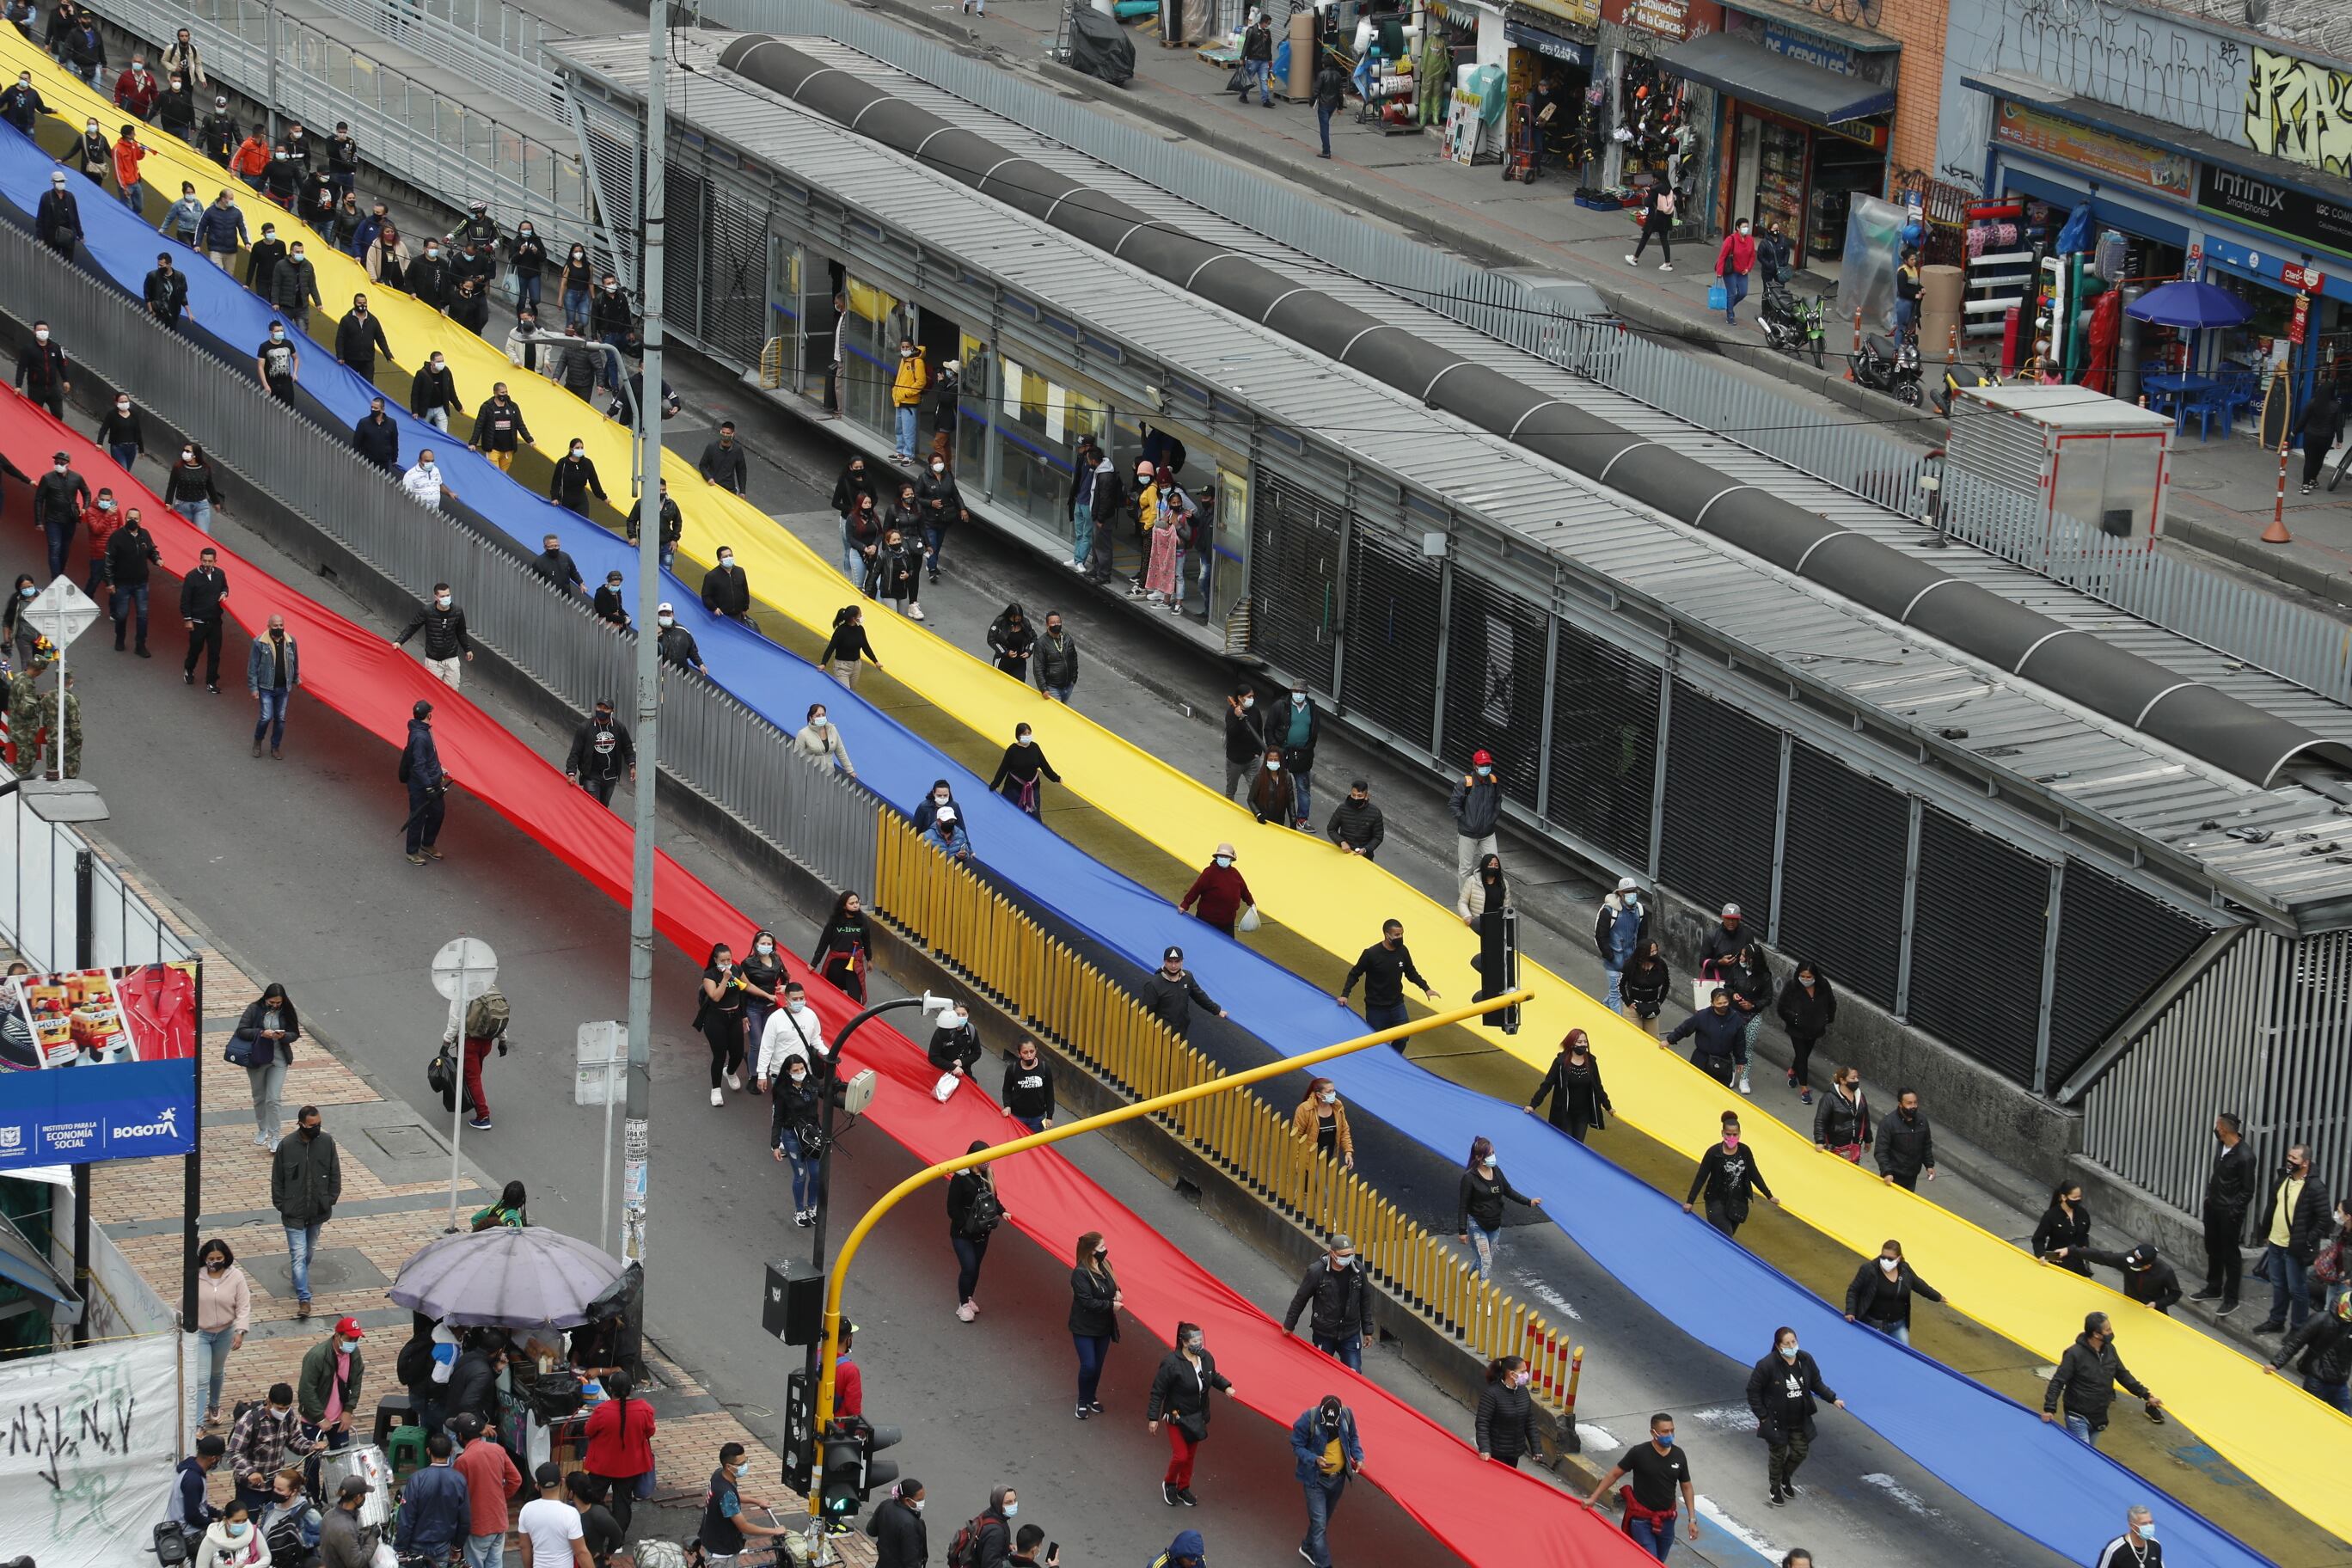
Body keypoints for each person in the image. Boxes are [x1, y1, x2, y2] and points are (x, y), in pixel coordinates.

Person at [1746, 1326, 1842, 1506]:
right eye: (1787, 1343)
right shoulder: (1766, 1365)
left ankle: (1785, 1477)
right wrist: (1763, 1416)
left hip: (1799, 1419)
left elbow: (1816, 1383)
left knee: (1800, 1452)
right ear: (1778, 1346)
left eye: (1794, 1341)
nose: (1792, 1345)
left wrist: (1833, 1399)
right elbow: (1753, 1391)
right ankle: (1775, 1487)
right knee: (1777, 1456)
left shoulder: (1805, 1360)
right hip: (1776, 1421)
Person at [1583, 1414, 1697, 1559]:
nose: (1670, 1435)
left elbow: (1686, 1487)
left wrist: (1692, 1520)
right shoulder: (1639, 1453)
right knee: (1649, 1561)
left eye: (1672, 1431)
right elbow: (1614, 1474)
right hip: (1641, 1521)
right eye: (1665, 1431)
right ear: (1653, 1432)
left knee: (1659, 1561)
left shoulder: (1678, 1455)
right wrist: (1593, 1498)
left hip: (1666, 1522)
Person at [2043, 1309, 2161, 1447]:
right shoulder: (2074, 1354)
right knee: (2084, 1456)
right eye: (2108, 1329)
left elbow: (2123, 1374)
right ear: (2096, 1334)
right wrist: (2049, 1409)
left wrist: (2147, 1395)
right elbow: (2058, 1381)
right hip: (2078, 1415)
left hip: (2099, 1415)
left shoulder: (2110, 1350)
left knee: (2088, 1454)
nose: (2111, 1332)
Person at [1147, 1321, 1234, 1506]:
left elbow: (1212, 1375)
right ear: (1184, 1342)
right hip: (1177, 1417)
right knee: (1181, 1455)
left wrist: (1226, 1386)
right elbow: (1158, 1391)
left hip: (1197, 1416)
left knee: (1190, 1456)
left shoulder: (1206, 1358)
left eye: (1200, 1339)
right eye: (1194, 1340)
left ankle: (1183, 1487)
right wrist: (1153, 1418)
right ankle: (1169, 1483)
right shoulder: (1171, 1364)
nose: (1199, 1343)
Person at [272, 1106, 340, 1320]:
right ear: (301, 1123)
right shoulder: (287, 1145)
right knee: (299, 1255)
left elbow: (334, 1173)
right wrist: (282, 1204)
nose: (317, 1128)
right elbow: (278, 1179)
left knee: (309, 1251)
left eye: (318, 1124)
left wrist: (330, 1199)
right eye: (312, 1125)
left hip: (317, 1210)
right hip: (293, 1213)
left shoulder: (327, 1143)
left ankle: (298, 1277)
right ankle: (304, 1299)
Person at [2255, 1142, 2330, 1334]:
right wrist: (2265, 1232)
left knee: (2297, 1289)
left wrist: (2305, 1240)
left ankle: (2298, 1329)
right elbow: (2272, 1207)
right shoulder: (2283, 1180)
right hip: (2275, 1242)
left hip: (2295, 1248)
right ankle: (2276, 1320)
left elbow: (2324, 1220)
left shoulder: (2315, 1187)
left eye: (2294, 1158)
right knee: (2279, 1284)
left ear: (2305, 1162)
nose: (2289, 1161)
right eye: (2289, 1156)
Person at [1283, 1234, 1375, 1370]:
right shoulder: (1316, 1272)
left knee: (1354, 1375)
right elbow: (1300, 1299)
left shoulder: (1358, 1271)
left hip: (1350, 1333)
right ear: (1332, 1253)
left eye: (1350, 1254)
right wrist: (1289, 1325)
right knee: (1321, 1373)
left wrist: (1368, 1330)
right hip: (1324, 1333)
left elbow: (1365, 1300)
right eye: (1343, 1255)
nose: (1347, 1259)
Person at [1289, 1394, 1361, 1568]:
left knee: (1321, 1521)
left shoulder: (1347, 1415)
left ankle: (1307, 1547)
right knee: (1320, 1524)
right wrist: (1314, 1459)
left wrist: (1358, 1457)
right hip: (1315, 1481)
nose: (1330, 1425)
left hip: (1338, 1480)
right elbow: (1296, 1445)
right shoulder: (1308, 1418)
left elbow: (1354, 1438)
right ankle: (1324, 1564)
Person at [580, 1370, 655, 1537]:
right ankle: (617, 1538)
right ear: (631, 1389)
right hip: (631, 1466)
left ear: (610, 1389)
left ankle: (593, 1533)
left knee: (594, 1498)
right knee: (623, 1502)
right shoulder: (644, 1409)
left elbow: (589, 1431)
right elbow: (649, 1432)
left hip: (602, 1465)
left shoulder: (602, 1410)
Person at [2196, 1110, 2256, 1315]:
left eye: (2217, 1126)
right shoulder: (2221, 1146)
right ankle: (2213, 1287)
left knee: (2230, 1254)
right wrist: (2208, 1197)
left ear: (2222, 1129)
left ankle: (2231, 1298)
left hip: (2229, 1212)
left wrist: (2233, 1210)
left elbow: (2248, 1190)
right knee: (2212, 1247)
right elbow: (2217, 1175)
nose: (2216, 1129)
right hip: (2213, 1206)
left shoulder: (2245, 1156)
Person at [230, 982, 303, 1152]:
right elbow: (242, 1030)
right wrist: (261, 1033)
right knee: (259, 1097)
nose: (276, 1005)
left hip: (279, 1059)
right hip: (257, 1058)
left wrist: (283, 1035)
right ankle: (262, 1129)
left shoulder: (287, 1011)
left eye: (279, 1002)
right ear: (266, 998)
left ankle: (275, 1136)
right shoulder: (254, 1009)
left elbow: (295, 1034)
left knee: (274, 1099)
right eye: (272, 1002)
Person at [1457, 1136, 1541, 1280]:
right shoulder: (1469, 1178)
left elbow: (1508, 1191)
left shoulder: (1496, 1171)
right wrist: (1462, 1231)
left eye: (1493, 1153)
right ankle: (1480, 1298)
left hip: (1495, 1225)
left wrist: (1529, 1202)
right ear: (1479, 1157)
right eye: (1489, 1154)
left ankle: (1468, 1279)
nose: (1493, 1157)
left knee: (1483, 1260)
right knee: (1486, 1261)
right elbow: (1463, 1205)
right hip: (1477, 1224)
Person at [768, 1050, 836, 1227]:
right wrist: (776, 1144)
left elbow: (827, 1093)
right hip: (791, 1137)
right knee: (800, 1175)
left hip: (812, 1135)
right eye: (795, 1070)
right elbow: (778, 1119)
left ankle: (811, 1207)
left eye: (801, 1069)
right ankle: (799, 1211)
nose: (799, 1073)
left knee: (815, 1173)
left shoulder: (811, 1083)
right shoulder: (782, 1092)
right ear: (788, 1072)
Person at [1337, 918, 1437, 1035]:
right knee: (1375, 1041)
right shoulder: (1371, 954)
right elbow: (1354, 974)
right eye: (1397, 935)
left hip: (1397, 1004)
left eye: (1402, 934)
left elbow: (1411, 972)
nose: (1400, 937)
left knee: (1403, 1037)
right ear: (1387, 935)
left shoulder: (1403, 951)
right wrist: (1345, 995)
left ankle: (1396, 1053)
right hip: (1376, 1008)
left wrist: (1426, 988)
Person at [191, 1238, 251, 1428]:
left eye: (219, 1257)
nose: (215, 1261)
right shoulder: (195, 1276)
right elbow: (186, 1300)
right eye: (211, 1258)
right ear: (204, 1258)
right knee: (201, 1377)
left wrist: (240, 1331)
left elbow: (243, 1305)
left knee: (216, 1372)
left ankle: (214, 1405)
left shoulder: (236, 1277)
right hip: (201, 1333)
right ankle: (198, 1424)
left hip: (224, 1332)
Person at [1685, 1112, 1776, 1238]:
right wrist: (1690, 1201)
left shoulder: (1744, 1151)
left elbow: (1754, 1173)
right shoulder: (1713, 1153)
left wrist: (1769, 1195)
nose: (1732, 1137)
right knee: (1726, 1238)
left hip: (1737, 1203)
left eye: (1735, 1134)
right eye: (1728, 1134)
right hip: (1716, 1201)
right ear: (1722, 1133)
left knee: (1723, 1240)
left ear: (1740, 1134)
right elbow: (1701, 1177)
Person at [226, 1384, 310, 1515]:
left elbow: (295, 1440)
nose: (283, 1412)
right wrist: (250, 1472)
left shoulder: (288, 1416)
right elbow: (233, 1452)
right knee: (250, 1524)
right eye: (279, 1408)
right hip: (250, 1489)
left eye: (286, 1408)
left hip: (276, 1486)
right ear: (269, 1402)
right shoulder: (249, 1421)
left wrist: (311, 1447)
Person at [947, 1140, 1006, 1320]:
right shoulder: (961, 1177)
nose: (987, 1162)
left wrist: (1002, 1211)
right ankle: (963, 1304)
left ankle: (969, 1297)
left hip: (982, 1232)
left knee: (976, 1267)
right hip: (963, 1233)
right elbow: (952, 1208)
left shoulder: (988, 1175)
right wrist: (965, 1226)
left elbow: (992, 1199)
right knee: (969, 1267)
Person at [2266, 1289, 2351, 1411]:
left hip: (2340, 1381)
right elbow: (2296, 1343)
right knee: (2308, 1416)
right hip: (2316, 1380)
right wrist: (2275, 1364)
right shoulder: (2320, 1319)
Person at [1525, 1028, 1612, 1143]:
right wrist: (1533, 1105)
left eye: (1585, 1042)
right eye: (1579, 1042)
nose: (1583, 1045)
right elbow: (1547, 1085)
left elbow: (1598, 1086)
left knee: (1578, 1145)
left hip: (1583, 1114)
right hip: (1564, 1113)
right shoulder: (1560, 1063)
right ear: (1571, 1044)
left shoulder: (1591, 1062)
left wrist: (1608, 1106)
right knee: (1567, 1144)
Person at [1069, 1230, 1121, 1418]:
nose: (1105, 1250)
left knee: (1097, 1366)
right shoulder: (1080, 1274)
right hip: (1084, 1327)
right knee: (1089, 1365)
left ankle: (1091, 1397)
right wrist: (1111, 1305)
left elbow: (1113, 1285)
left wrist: (1117, 1293)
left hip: (1103, 1327)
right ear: (1091, 1250)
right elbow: (1086, 1301)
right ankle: (1082, 1400)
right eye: (1101, 1247)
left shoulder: (1106, 1265)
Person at [395, 1435, 470, 1563]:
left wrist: (400, 1548)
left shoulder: (416, 1479)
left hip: (416, 1545)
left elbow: (406, 1518)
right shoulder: (459, 1480)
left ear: (428, 1451)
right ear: (451, 1452)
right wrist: (457, 1547)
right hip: (443, 1545)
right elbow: (465, 1519)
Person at [296, 1315, 365, 1451]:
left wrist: (348, 1411)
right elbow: (306, 1390)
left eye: (356, 1339)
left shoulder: (354, 1353)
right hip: (315, 1420)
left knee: (342, 1459)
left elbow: (356, 1383)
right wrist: (320, 1418)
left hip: (339, 1420)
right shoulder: (317, 1356)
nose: (353, 1342)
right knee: (313, 1462)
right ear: (337, 1336)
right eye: (350, 1339)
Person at [697, 942, 752, 1107]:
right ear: (715, 960)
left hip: (734, 1017)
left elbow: (746, 988)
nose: (727, 963)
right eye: (723, 960)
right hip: (716, 1019)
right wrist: (725, 979)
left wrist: (768, 995)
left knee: (737, 1053)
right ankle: (716, 1090)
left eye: (729, 959)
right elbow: (715, 996)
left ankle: (729, 1072)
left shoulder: (736, 969)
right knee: (720, 1055)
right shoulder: (710, 975)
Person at [400, 700, 450, 865]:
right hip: (421, 785)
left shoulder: (424, 731)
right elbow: (419, 765)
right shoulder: (421, 737)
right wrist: (429, 786)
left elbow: (430, 757)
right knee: (417, 816)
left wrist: (439, 770)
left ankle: (428, 844)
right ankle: (412, 852)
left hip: (431, 780)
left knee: (438, 813)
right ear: (428, 715)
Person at [106, 505, 161, 654]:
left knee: (142, 615)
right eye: (130, 518)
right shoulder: (117, 537)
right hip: (122, 584)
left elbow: (151, 550)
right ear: (125, 519)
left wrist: (157, 559)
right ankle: (120, 638)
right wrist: (110, 583)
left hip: (141, 584)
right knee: (122, 614)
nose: (133, 520)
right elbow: (109, 561)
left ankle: (140, 645)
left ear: (140, 521)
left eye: (136, 518)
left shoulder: (145, 534)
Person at [395, 585, 475, 687]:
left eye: (448, 595)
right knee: (433, 694)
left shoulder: (457, 611)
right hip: (433, 661)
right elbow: (413, 627)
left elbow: (461, 632)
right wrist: (399, 641)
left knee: (452, 694)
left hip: (452, 660)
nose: (446, 598)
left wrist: (467, 649)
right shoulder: (427, 611)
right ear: (436, 597)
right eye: (442, 596)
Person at [2078, 1241, 2184, 1314]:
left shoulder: (2165, 1271)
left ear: (2148, 1265)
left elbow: (2175, 1294)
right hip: (2129, 1306)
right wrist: (2071, 1251)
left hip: (2152, 1312)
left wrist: (2157, 1304)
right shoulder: (2128, 1260)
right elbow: (2102, 1257)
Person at [1665, 988, 1744, 1087]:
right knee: (1695, 1088)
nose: (1723, 1006)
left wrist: (1740, 1060)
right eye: (1719, 1003)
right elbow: (1685, 1028)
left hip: (1724, 1061)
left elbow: (1740, 1042)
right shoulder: (1702, 1016)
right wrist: (1669, 1040)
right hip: (1701, 1060)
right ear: (1712, 1003)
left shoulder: (1736, 1019)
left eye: (1725, 1002)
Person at [521, 1461, 592, 1568]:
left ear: (537, 1486)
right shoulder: (570, 1513)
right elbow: (581, 1552)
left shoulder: (527, 1509)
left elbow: (524, 1546)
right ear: (562, 1482)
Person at [566, 698, 636, 805]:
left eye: (606, 708)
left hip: (611, 777)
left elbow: (627, 747)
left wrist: (632, 765)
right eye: (599, 707)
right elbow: (576, 751)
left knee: (604, 807)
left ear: (612, 711)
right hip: (591, 777)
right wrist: (571, 772)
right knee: (593, 807)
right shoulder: (585, 728)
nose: (601, 711)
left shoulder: (619, 728)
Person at [1142, 946, 1225, 1038]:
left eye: (1177, 961)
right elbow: (1146, 1013)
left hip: (1181, 1031)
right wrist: (1161, 1031)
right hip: (1159, 1035)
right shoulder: (1154, 984)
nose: (1173, 966)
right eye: (1170, 961)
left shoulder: (1187, 978)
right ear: (1164, 961)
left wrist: (1217, 1010)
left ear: (1182, 962)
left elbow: (1200, 996)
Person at [181, 545, 231, 693]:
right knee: (196, 649)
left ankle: (211, 682)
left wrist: (224, 593)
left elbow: (225, 587)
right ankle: (189, 669)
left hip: (215, 622)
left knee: (215, 653)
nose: (207, 564)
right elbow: (185, 600)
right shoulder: (191, 577)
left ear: (215, 561)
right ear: (200, 560)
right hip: (198, 622)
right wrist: (188, 619)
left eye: (210, 561)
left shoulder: (220, 574)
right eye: (204, 561)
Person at [1591, 876, 1646, 1011]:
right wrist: (1610, 955)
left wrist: (1640, 955)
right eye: (1627, 892)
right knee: (1617, 993)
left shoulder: (1640, 910)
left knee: (1619, 991)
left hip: (1631, 961)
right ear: (1620, 893)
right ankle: (1618, 1022)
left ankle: (1604, 1006)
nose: (1631, 894)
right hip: (1614, 962)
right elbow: (1601, 936)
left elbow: (1642, 936)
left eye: (1632, 891)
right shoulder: (1609, 911)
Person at [34, 447, 89, 579]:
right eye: (57, 462)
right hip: (52, 519)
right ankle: (55, 577)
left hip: (70, 519)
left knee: (64, 549)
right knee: (55, 547)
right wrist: (38, 521)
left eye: (62, 463)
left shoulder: (76, 478)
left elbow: (86, 492)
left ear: (68, 464)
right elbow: (39, 499)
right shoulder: (47, 478)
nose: (59, 465)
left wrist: (85, 507)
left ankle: (60, 574)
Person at [1448, 749, 1504, 881]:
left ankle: (1488, 895)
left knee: (1494, 866)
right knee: (1465, 869)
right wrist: (1467, 822)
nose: (1485, 768)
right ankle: (1464, 898)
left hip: (1487, 833)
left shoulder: (1493, 781)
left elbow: (1497, 802)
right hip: (1468, 833)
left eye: (1487, 765)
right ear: (1475, 765)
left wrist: (1492, 820)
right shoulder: (1465, 783)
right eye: (1482, 765)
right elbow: (1453, 805)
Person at [810, 891, 874, 1002]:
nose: (855, 905)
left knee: (855, 1000)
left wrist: (869, 959)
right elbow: (823, 943)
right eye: (852, 903)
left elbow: (866, 941)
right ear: (844, 906)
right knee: (832, 998)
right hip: (836, 964)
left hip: (854, 964)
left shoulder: (863, 921)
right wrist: (814, 963)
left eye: (857, 902)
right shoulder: (834, 922)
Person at [1273, 680, 1322, 824]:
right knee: (1278, 784)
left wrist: (1308, 747)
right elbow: (1270, 727)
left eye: (1301, 692)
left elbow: (1315, 730)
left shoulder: (1312, 708)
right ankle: (1276, 814)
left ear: (1306, 693)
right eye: (1296, 692)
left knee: (1303, 787)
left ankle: (1302, 819)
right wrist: (1274, 748)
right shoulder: (1281, 706)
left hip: (1303, 754)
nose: (1298, 695)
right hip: (1283, 751)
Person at [1475, 1356, 1536, 1468]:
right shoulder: (1492, 1394)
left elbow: (1529, 1420)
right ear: (1512, 1374)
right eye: (1523, 1372)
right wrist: (1484, 1449)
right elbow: (1482, 1423)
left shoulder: (1523, 1392)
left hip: (1514, 1452)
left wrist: (1536, 1448)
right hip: (1496, 1453)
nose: (1526, 1374)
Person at [1179, 843, 1252, 934]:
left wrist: (1251, 903)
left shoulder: (1235, 873)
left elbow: (1244, 890)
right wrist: (1185, 905)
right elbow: (1196, 889)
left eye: (1226, 856)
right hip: (1207, 920)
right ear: (1217, 857)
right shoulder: (1209, 872)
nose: (1223, 858)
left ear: (1231, 859)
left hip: (1228, 922)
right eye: (1222, 856)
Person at [989, 723, 1061, 816]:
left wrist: (1056, 778)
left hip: (1033, 790)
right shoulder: (1012, 750)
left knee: (1034, 816)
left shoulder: (1035, 747)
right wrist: (994, 785)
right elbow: (1003, 769)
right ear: (1018, 736)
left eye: (1029, 733)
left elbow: (1045, 766)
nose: (1027, 736)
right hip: (1013, 789)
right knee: (1010, 814)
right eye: (1024, 734)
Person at [1876, 1088, 1938, 1191]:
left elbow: (1926, 1145)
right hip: (1893, 1176)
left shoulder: (1922, 1121)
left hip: (1912, 1175)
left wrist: (1929, 1165)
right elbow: (1881, 1150)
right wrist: (1887, 1172)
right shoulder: (1888, 1123)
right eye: (1909, 1103)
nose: (1913, 1106)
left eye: (1915, 1103)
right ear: (1900, 1104)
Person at [1811, 1065, 1871, 1162]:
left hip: (1854, 1148)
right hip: (1835, 1148)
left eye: (1857, 1077)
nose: (1856, 1080)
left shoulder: (1861, 1097)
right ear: (1843, 1080)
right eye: (1853, 1078)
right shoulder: (1829, 1098)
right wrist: (1819, 1141)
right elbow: (1820, 1120)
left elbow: (1865, 1119)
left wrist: (1868, 1139)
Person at [2033, 1181, 2094, 1275]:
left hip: (2077, 1261)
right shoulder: (2051, 1215)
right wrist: (2042, 1256)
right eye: (2074, 1198)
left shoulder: (2083, 1213)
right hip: (2056, 1260)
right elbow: (2038, 1239)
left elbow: (2085, 1235)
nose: (2078, 1200)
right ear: (2064, 1197)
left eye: (2079, 1197)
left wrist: (2085, 1250)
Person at [17, 322, 72, 423]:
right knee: (35, 417)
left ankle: (56, 436)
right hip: (36, 389)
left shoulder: (56, 347)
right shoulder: (28, 349)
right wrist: (18, 386)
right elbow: (21, 368)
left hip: (53, 387)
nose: (43, 332)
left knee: (58, 415)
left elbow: (62, 365)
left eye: (45, 330)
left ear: (48, 331)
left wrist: (66, 380)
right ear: (34, 332)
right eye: (39, 330)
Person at [566, 1473, 622, 1568]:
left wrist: (608, 1555)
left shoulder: (598, 1514)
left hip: (594, 1563)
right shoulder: (569, 1510)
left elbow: (617, 1535)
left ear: (571, 1492)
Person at [867, 1479, 927, 1568]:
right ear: (907, 1500)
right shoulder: (910, 1524)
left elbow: (871, 1531)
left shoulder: (885, 1505)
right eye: (919, 1500)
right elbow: (911, 1561)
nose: (922, 1502)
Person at [819, 604, 883, 688]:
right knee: (845, 693)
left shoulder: (860, 629)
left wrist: (875, 661)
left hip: (856, 667)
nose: (862, 617)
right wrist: (823, 663)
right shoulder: (840, 631)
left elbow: (865, 646)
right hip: (842, 667)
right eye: (860, 615)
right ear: (853, 618)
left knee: (852, 692)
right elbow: (831, 647)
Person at [319, 1475, 376, 1568]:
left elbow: (348, 1540)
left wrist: (367, 1534)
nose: (364, 1497)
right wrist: (372, 1539)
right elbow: (357, 1563)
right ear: (357, 1498)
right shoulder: (345, 1528)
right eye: (364, 1494)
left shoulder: (329, 1514)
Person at [1001, 1038, 1056, 1133]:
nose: (1029, 1055)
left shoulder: (1044, 1068)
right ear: (1019, 1053)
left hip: (1038, 1118)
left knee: (1035, 1146)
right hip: (1017, 1117)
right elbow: (1006, 1090)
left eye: (1032, 1051)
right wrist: (1007, 1106)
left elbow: (1049, 1093)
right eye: (1025, 1052)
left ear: (1036, 1050)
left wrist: (1050, 1117)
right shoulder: (1013, 1069)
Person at [173, 1435, 228, 1528]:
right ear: (213, 1458)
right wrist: (214, 1522)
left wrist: (220, 1514)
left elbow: (201, 1506)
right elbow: (192, 1516)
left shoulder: (194, 1472)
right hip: (189, 1534)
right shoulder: (193, 1480)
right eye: (219, 1458)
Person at [1222, 685, 1265, 801]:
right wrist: (1238, 718)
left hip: (1252, 759)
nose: (1252, 698)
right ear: (1240, 698)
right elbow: (1232, 733)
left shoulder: (1255, 711)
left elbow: (1259, 732)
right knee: (1231, 791)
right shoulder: (1231, 713)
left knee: (1257, 791)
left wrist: (1258, 752)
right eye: (1249, 696)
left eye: (1252, 696)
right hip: (1235, 761)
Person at [2301, 380, 2344, 494]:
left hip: (2310, 435)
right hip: (2326, 437)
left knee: (2309, 460)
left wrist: (2294, 432)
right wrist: (2340, 440)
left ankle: (2305, 485)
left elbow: (2303, 419)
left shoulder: (2312, 403)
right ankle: (2312, 480)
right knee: (2319, 460)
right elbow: (2338, 425)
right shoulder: (2336, 406)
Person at [891, 335, 929, 462]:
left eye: (907, 347)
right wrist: (896, 392)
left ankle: (909, 455)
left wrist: (906, 393)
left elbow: (921, 382)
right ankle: (900, 452)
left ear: (912, 347)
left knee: (908, 431)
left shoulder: (917, 362)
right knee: (899, 429)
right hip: (900, 400)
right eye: (903, 347)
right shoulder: (904, 360)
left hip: (909, 402)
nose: (905, 349)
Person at [333, 295, 390, 378]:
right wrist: (340, 356)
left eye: (364, 303)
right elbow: (340, 339)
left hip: (367, 361)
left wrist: (387, 354)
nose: (362, 305)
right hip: (351, 360)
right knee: (350, 384)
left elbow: (380, 338)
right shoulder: (346, 320)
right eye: (359, 303)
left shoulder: (373, 320)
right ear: (354, 303)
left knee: (368, 386)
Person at [873, 525, 924, 618]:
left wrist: (908, 575)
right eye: (894, 540)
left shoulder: (906, 554)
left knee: (901, 618)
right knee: (894, 617)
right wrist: (868, 592)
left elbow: (912, 569)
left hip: (902, 590)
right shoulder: (883, 556)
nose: (897, 542)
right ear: (888, 542)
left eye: (898, 539)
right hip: (888, 592)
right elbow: (875, 574)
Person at [1326, 780, 1385, 860]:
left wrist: (1365, 849)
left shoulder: (1375, 813)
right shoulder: (1342, 809)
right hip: (1344, 853)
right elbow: (1331, 829)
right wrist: (1342, 842)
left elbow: (1378, 837)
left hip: (1365, 857)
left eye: (1360, 796)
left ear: (1366, 796)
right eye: (1353, 795)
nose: (1356, 798)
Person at [1626, 181, 1677, 273]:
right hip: (1665, 217)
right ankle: (1668, 263)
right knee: (1664, 239)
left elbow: (1647, 203)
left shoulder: (1655, 190)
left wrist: (1648, 194)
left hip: (1654, 218)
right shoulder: (1668, 189)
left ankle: (1635, 259)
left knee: (1645, 237)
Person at [1715, 217, 1756, 325]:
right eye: (1744, 227)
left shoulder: (1750, 240)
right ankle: (1730, 315)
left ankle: (1729, 305)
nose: (1746, 229)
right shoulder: (1730, 240)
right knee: (1731, 293)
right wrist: (1719, 272)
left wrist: (1748, 268)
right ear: (1738, 228)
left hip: (1743, 272)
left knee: (1743, 293)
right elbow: (1722, 256)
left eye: (1747, 227)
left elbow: (1752, 255)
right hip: (1731, 271)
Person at [550, 440, 609, 515]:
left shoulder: (587, 463)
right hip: (565, 500)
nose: (580, 450)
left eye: (582, 448)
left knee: (582, 523)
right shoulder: (563, 463)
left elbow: (594, 482)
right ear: (571, 449)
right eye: (577, 448)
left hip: (581, 500)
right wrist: (554, 497)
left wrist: (604, 497)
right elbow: (556, 482)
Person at [701, 547, 755, 628]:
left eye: (730, 555)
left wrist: (745, 608)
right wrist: (714, 608)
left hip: (738, 615)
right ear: (719, 560)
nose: (728, 558)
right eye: (725, 557)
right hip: (722, 617)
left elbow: (745, 590)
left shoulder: (740, 571)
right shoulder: (711, 576)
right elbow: (706, 596)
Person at [34, 171, 83, 260]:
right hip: (52, 235)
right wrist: (40, 238)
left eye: (62, 181)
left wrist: (80, 235)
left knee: (68, 262)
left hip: (68, 234)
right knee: (52, 261)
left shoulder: (70, 196)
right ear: (53, 182)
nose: (61, 183)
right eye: (58, 181)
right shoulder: (46, 197)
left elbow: (76, 216)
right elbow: (40, 218)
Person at [2093, 1506, 2164, 1568]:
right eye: (2144, 1524)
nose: (2149, 1527)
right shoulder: (2114, 1549)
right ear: (2132, 1525)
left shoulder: (2155, 1545)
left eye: (2151, 1522)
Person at [1032, 610, 1079, 702]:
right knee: (1055, 714)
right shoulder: (1041, 643)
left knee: (1063, 711)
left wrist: (1074, 678)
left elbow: (1074, 658)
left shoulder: (1067, 638)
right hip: (1052, 688)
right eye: (1053, 623)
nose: (1056, 624)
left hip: (1068, 686)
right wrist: (1043, 689)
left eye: (1058, 622)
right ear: (1047, 625)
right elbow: (1038, 668)